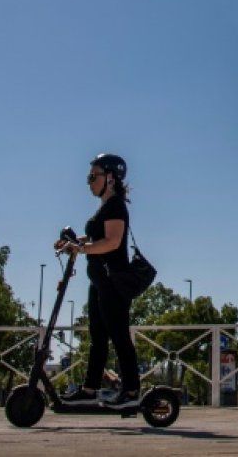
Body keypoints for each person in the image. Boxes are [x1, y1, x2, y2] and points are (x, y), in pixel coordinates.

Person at [54, 153, 142, 408]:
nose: (89, 181)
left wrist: (81, 249)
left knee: (119, 336)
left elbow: (112, 242)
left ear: (111, 178)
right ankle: (90, 389)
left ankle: (131, 392)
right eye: (88, 176)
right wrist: (73, 243)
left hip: (113, 283)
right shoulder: (105, 207)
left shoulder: (115, 206)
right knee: (98, 338)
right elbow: (96, 237)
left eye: (94, 176)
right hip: (100, 282)